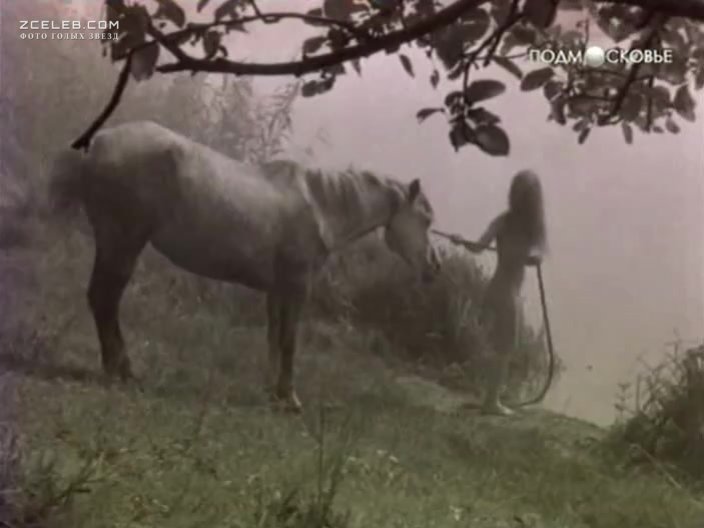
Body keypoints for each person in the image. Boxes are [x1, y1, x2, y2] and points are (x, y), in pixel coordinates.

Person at [451, 170, 547, 416]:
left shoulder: (504, 221)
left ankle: (490, 398)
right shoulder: (531, 226)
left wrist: (462, 241)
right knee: (505, 348)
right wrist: (531, 258)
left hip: (495, 289)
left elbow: (478, 247)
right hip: (507, 294)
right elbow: (532, 255)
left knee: (500, 346)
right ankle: (491, 402)